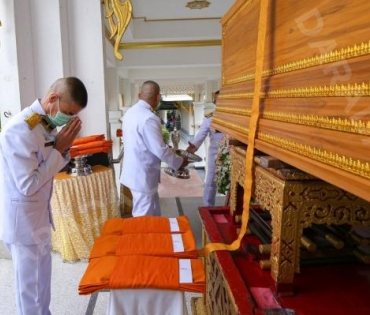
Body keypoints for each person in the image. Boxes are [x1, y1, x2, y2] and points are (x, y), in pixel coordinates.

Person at [0, 77, 88, 315]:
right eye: (68, 112)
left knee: (42, 284)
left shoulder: (43, 123)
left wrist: (63, 148)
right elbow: (28, 184)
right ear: (52, 99)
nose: (67, 119)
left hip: (38, 216)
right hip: (23, 222)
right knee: (28, 290)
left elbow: (49, 163)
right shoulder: (20, 129)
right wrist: (59, 149)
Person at [120, 80, 187, 217]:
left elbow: (143, 142)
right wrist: (179, 162)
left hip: (134, 171)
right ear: (158, 97)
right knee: (143, 217)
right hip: (142, 174)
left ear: (139, 95)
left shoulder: (130, 113)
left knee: (154, 213)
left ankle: (154, 237)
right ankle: (142, 238)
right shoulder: (149, 117)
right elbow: (159, 149)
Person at [186, 90, 224, 207]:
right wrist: (193, 147)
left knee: (234, 185)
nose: (220, 103)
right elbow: (201, 135)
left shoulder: (236, 117)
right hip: (215, 155)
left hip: (234, 155)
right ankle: (207, 208)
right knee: (211, 182)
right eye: (218, 101)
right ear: (214, 102)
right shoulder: (209, 118)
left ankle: (231, 209)